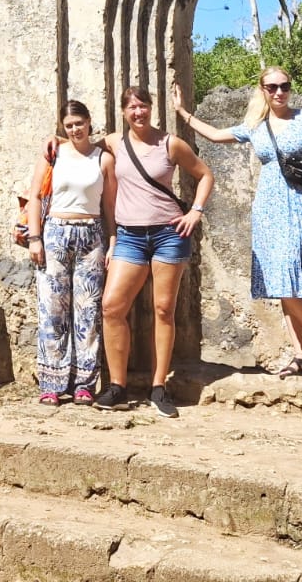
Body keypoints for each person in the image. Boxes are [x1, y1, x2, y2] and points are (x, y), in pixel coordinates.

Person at [172, 67, 302, 378]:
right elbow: (215, 135)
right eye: (272, 87)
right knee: (280, 281)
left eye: (284, 86)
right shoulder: (255, 126)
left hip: (299, 205)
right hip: (267, 209)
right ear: (262, 89)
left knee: (290, 277)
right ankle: (301, 355)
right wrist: (183, 112)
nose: (279, 92)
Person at [95, 85, 214, 418]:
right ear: (123, 112)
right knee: (112, 306)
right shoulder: (114, 142)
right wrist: (56, 142)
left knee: (163, 309)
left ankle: (159, 387)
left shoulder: (170, 143)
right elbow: (81, 145)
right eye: (132, 107)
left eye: (143, 106)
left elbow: (205, 175)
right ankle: (117, 387)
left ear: (151, 108)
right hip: (130, 236)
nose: (138, 112)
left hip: (168, 234)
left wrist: (196, 211)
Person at [24, 100, 117, 405]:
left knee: (88, 312)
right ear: (63, 128)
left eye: (79, 123)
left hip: (90, 235)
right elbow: (35, 197)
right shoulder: (52, 155)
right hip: (54, 234)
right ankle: (52, 382)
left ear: (89, 122)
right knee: (52, 310)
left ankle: (84, 383)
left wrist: (113, 240)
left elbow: (109, 208)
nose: (75, 129)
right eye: (69, 125)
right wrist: (35, 238)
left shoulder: (103, 159)